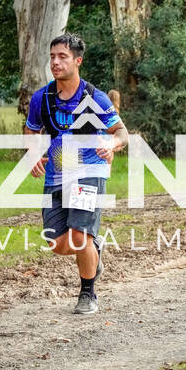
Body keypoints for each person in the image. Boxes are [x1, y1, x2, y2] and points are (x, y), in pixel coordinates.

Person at [24, 33, 128, 313]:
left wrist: (111, 144)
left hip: (89, 170)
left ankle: (88, 293)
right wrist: (33, 155)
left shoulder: (95, 97)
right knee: (57, 243)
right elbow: (31, 131)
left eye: (63, 57)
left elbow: (121, 132)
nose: (55, 63)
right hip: (57, 174)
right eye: (52, 57)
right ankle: (94, 247)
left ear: (77, 61)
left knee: (80, 238)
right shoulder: (41, 98)